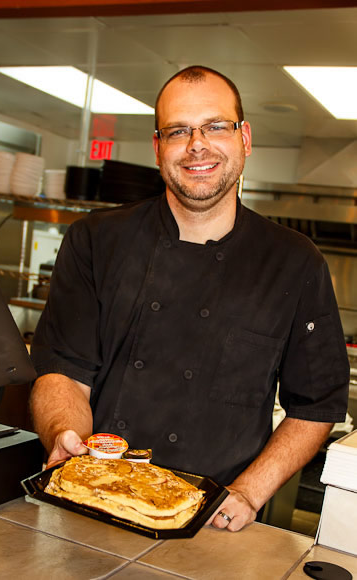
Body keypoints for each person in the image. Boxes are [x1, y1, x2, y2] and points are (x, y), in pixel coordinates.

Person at [30, 66, 349, 532]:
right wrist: (66, 437)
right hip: (91, 504)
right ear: (158, 148)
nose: (197, 144)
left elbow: (316, 406)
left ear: (245, 138)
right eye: (179, 130)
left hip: (214, 523)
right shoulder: (96, 240)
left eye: (216, 125)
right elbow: (63, 371)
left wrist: (248, 491)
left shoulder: (296, 263)